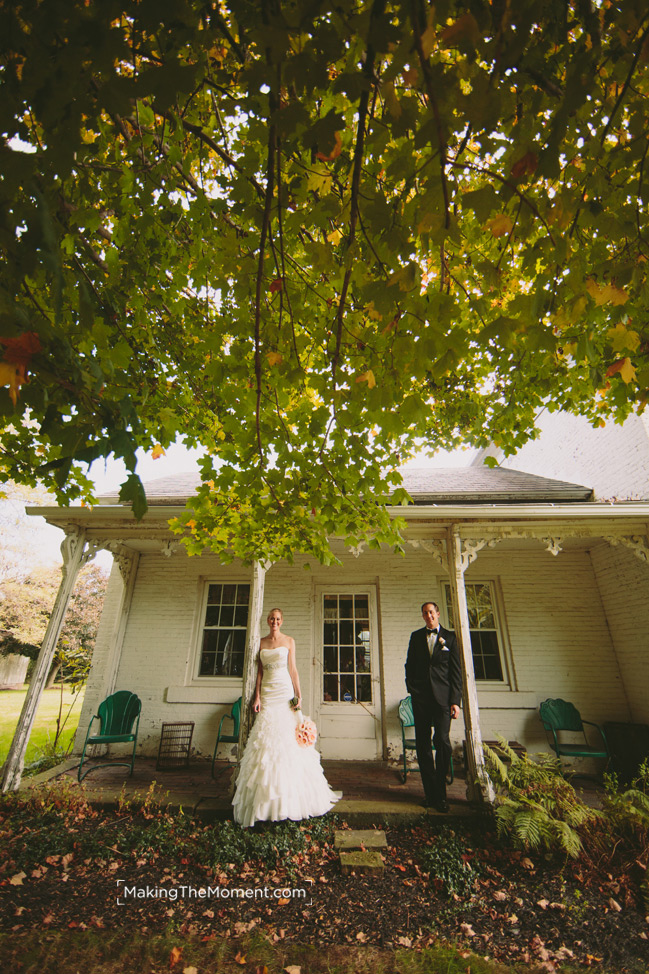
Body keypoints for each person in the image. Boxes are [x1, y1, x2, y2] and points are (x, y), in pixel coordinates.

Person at [232, 607, 340, 827]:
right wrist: (257, 697)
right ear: (268, 621)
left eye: (278, 619)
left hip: (284, 692)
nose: (274, 621)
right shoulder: (260, 643)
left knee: (288, 739)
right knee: (265, 738)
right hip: (268, 694)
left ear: (282, 621)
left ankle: (290, 798)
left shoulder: (289, 641)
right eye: (271, 618)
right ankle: (263, 801)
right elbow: (259, 672)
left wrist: (298, 694)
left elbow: (293, 669)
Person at [405, 601, 462, 813]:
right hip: (421, 700)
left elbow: (456, 672)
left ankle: (442, 794)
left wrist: (455, 701)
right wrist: (413, 689)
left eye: (431, 612)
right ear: (423, 616)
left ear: (437, 614)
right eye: (425, 613)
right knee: (423, 745)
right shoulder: (416, 637)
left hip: (443, 700)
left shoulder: (450, 638)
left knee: (443, 742)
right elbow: (409, 665)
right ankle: (430, 795)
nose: (428, 616)